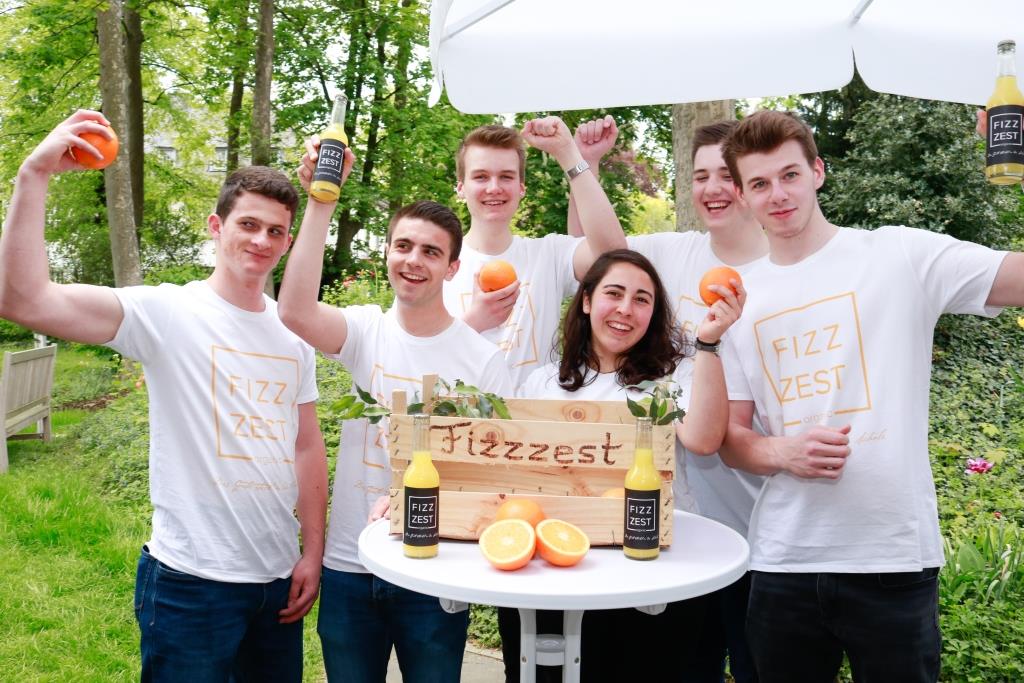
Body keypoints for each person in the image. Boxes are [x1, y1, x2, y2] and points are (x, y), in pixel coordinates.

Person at [0, 110, 328, 682]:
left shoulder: (293, 334)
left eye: (275, 231)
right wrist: (34, 174)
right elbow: (23, 300)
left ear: (288, 241)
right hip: (190, 583)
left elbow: (306, 445)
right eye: (248, 224)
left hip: (276, 580)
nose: (261, 240)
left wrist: (312, 552)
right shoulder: (167, 311)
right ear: (216, 226)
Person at [717, 109, 1024, 683]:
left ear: (818, 171)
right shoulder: (739, 300)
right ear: (740, 194)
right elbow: (731, 441)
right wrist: (783, 452)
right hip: (783, 563)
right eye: (759, 183)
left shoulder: (899, 255)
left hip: (893, 559)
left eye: (790, 175)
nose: (777, 194)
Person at [279, 139, 515, 682]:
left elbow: (494, 472)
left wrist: (417, 497)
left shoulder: (483, 362)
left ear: (452, 268)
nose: (413, 260)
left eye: (431, 252)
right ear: (386, 252)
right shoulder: (366, 331)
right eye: (403, 246)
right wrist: (320, 201)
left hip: (435, 568)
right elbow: (294, 311)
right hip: (351, 564)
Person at [570, 117, 764, 682]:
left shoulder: (791, 266)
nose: (713, 188)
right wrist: (581, 163)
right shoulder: (670, 254)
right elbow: (601, 259)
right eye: (700, 176)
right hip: (685, 532)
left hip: (767, 524)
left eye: (727, 175)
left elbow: (704, 435)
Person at [499, 248, 745, 682]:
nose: (626, 309)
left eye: (641, 299)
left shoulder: (672, 377)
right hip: (558, 573)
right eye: (614, 293)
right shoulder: (544, 383)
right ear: (587, 300)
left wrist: (708, 343)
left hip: (650, 576)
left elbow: (705, 440)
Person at [445, 116, 627, 384]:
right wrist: (474, 322)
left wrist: (570, 154)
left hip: (537, 411)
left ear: (521, 188)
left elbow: (614, 257)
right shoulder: (438, 265)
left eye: (506, 176)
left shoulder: (548, 254)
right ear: (461, 188)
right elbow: (417, 359)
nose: (494, 188)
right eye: (481, 177)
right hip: (458, 411)